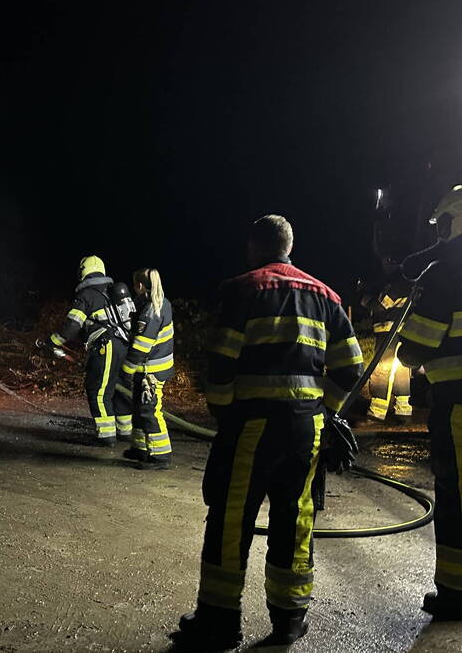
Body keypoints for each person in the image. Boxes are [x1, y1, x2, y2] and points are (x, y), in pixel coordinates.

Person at [177, 215, 363, 648]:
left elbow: (221, 361)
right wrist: (326, 411)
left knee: (230, 518)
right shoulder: (326, 296)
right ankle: (289, 620)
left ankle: (220, 623)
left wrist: (223, 413)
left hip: (252, 426)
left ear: (254, 247)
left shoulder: (243, 289)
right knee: (295, 518)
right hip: (306, 429)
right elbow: (351, 366)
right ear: (289, 247)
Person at [397, 184, 462, 620]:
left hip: (458, 401)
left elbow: (415, 347)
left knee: (454, 494)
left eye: (441, 223)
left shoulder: (444, 271)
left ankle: (456, 592)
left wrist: (406, 350)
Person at [48, 256, 130, 445]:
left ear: (83, 272)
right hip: (124, 347)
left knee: (98, 391)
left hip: (106, 346)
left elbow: (71, 327)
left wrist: (53, 341)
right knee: (119, 389)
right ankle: (125, 431)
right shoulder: (112, 292)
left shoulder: (87, 295)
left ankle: (106, 435)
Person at [119, 268, 175, 470]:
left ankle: (161, 455)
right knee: (139, 408)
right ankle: (141, 448)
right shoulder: (157, 304)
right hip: (149, 368)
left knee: (149, 410)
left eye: (135, 285)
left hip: (151, 371)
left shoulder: (152, 310)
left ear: (140, 285)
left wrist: (126, 369)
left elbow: (141, 346)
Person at [363, 269, 412, 420]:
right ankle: (403, 410)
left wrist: (365, 298)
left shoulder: (397, 283)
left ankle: (377, 411)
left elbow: (379, 306)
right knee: (401, 369)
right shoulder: (406, 280)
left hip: (389, 330)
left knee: (382, 368)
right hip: (400, 331)